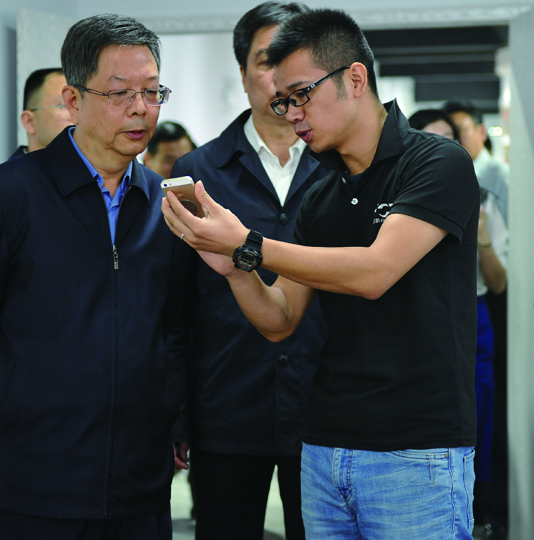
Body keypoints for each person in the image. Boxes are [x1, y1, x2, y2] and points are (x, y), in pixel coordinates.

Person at [163, 9, 479, 539]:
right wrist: (236, 269)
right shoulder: (322, 193)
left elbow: (376, 271)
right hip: (325, 445)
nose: (292, 113)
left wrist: (248, 244)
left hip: (415, 447)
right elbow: (281, 318)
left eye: (302, 95)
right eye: (283, 101)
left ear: (354, 79)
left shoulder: (436, 163)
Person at [0, 14, 189, 540]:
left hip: (139, 479)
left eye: (152, 91)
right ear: (73, 100)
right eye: (119, 93)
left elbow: (176, 328)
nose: (141, 108)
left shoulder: (164, 203)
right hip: (36, 478)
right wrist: (14, 408)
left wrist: (170, 413)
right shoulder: (4, 197)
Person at [168, 3, 328, 538]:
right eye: (266, 61)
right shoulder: (198, 173)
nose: (281, 77)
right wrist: (178, 414)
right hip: (227, 407)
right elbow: (178, 307)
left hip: (328, 408)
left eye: (293, 60)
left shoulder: (342, 169)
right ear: (242, 73)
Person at [409, 107, 508, 537]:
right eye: (429, 140)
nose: (442, 150)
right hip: (417, 318)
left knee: (478, 412)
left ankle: (476, 510)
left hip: (473, 313)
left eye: (450, 140)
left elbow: (499, 282)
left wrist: (481, 237)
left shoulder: (482, 199)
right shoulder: (398, 202)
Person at [443, 100, 508, 221]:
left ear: (482, 132)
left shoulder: (503, 176)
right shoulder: (444, 177)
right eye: (448, 134)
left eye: (461, 130)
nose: (454, 139)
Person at [12, 67, 72, 159]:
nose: (78, 114)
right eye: (64, 105)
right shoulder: (10, 169)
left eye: (81, 105)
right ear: (29, 122)